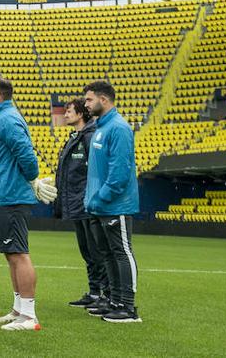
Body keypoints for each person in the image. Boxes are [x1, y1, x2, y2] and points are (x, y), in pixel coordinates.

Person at [0, 75, 55, 332]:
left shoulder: (7, 119)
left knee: (19, 254)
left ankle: (30, 315)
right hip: (6, 195)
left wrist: (32, 179)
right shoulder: (3, 119)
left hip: (12, 195)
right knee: (11, 254)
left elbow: (26, 153)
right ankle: (18, 310)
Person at [83, 81, 142, 324]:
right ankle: (114, 300)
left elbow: (119, 173)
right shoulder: (100, 127)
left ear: (103, 100)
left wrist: (101, 197)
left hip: (116, 205)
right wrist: (92, 200)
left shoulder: (118, 128)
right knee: (107, 255)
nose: (85, 104)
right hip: (99, 206)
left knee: (121, 253)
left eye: (88, 100)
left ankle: (128, 307)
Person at [57, 97, 106, 310]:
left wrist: (90, 198)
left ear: (81, 114)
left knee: (96, 251)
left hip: (88, 203)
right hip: (76, 203)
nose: (65, 114)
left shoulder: (89, 137)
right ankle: (95, 292)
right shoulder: (75, 137)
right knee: (87, 251)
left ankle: (105, 293)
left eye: (69, 111)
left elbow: (93, 172)